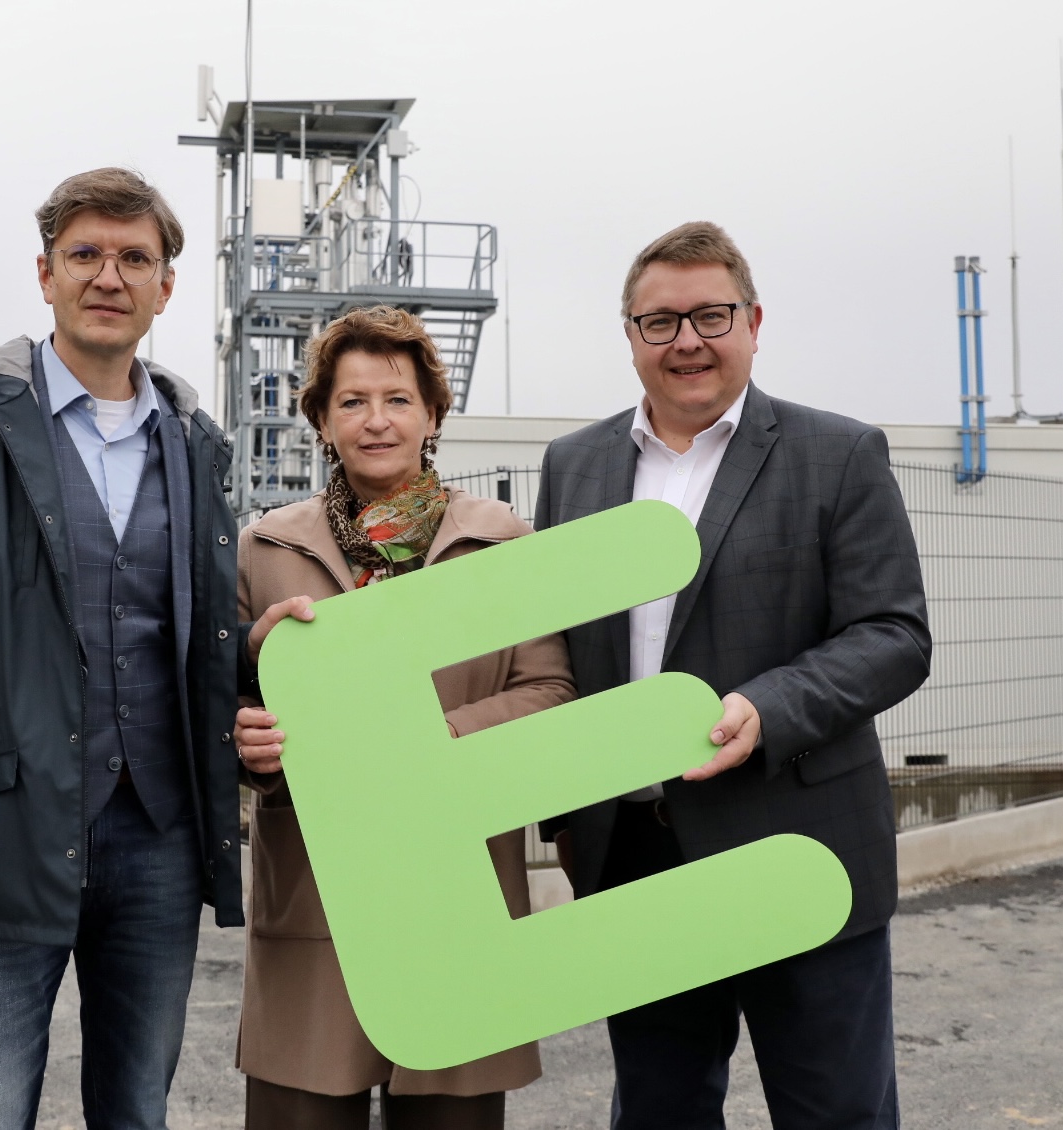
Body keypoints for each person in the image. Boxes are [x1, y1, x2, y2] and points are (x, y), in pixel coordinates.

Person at [0, 168, 244, 1130]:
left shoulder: (196, 443)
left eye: (134, 257)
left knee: (137, 1112)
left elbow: (196, 640)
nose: (109, 276)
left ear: (166, 286)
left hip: (157, 844)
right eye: (86, 255)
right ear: (46, 273)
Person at [534, 222, 930, 1129]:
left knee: (834, 1112)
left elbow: (894, 633)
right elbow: (559, 648)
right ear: (628, 335)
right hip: (636, 859)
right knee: (660, 1112)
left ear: (753, 322)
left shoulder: (838, 454)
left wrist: (771, 704)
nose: (686, 341)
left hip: (797, 843)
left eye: (709, 315)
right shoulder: (575, 465)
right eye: (659, 321)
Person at [233, 305, 576, 1130]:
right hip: (317, 894)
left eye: (396, 399)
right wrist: (246, 740)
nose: (375, 421)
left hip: (456, 893)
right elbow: (230, 706)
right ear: (319, 418)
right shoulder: (263, 550)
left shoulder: (502, 545)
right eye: (350, 402)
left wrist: (430, 744)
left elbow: (550, 694)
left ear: (431, 413)